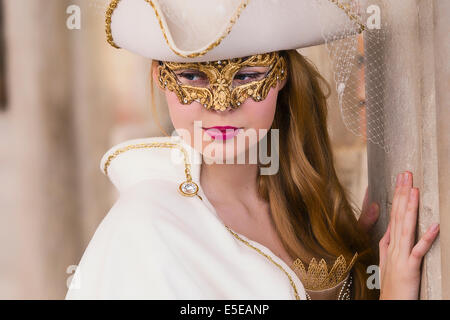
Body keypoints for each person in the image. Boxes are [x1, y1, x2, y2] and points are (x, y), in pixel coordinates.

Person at [65, 0, 439, 300]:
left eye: (246, 75)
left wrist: (360, 275)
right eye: (193, 77)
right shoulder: (146, 231)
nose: (221, 104)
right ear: (159, 79)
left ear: (283, 77)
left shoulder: (302, 204)